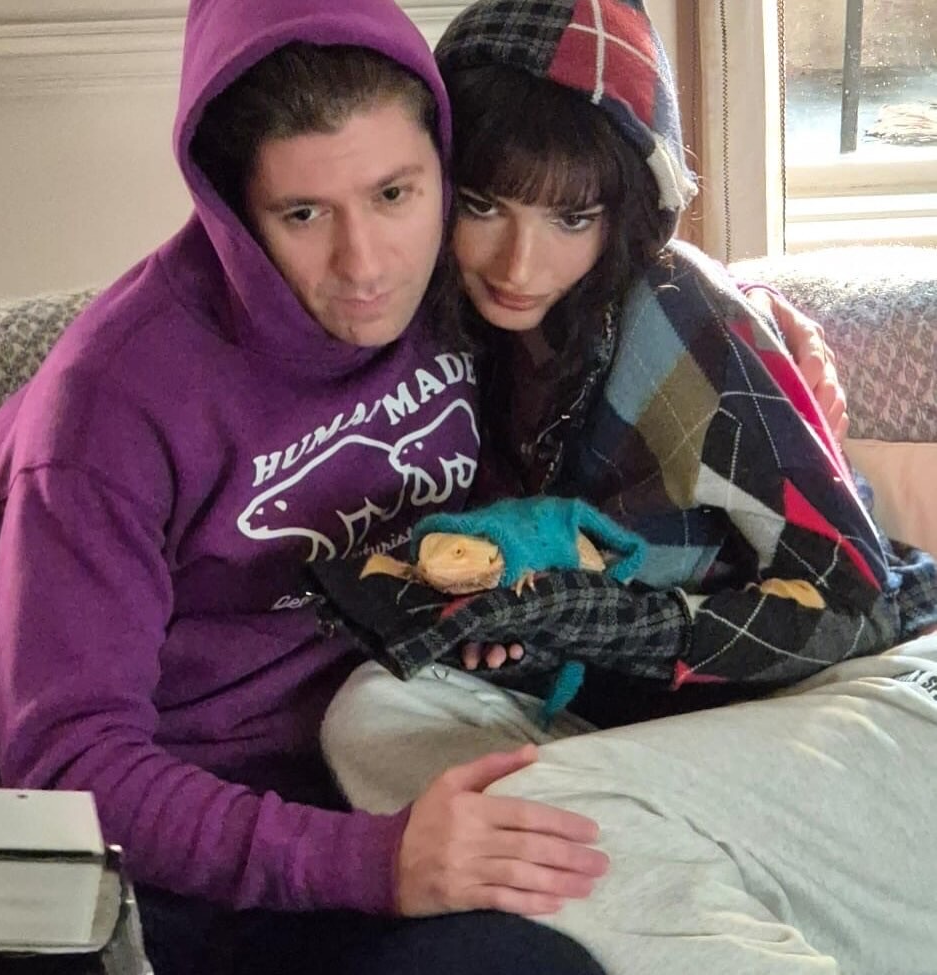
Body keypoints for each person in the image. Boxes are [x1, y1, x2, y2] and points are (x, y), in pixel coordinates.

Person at [0, 0, 860, 971]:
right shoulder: (102, 414)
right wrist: (372, 863)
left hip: (397, 749)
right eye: (303, 214)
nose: (365, 266)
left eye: (395, 194)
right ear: (229, 207)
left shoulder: (461, 288)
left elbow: (598, 245)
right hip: (175, 839)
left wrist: (754, 325)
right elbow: (73, 764)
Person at [320, 1, 937, 972]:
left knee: (531, 814)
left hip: (878, 694)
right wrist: (513, 629)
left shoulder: (677, 307)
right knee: (370, 714)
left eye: (573, 217)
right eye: (484, 204)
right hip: (687, 727)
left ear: (626, 214)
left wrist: (592, 619)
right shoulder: (452, 331)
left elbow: (853, 602)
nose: (521, 263)